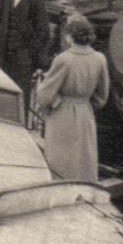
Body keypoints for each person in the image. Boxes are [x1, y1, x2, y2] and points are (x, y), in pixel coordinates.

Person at [35, 17, 109, 183]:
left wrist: (52, 104)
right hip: (85, 112)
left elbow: (45, 95)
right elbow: (102, 95)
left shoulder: (63, 59)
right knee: (84, 158)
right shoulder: (99, 58)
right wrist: (86, 104)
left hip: (63, 113)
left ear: (69, 36)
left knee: (60, 159)